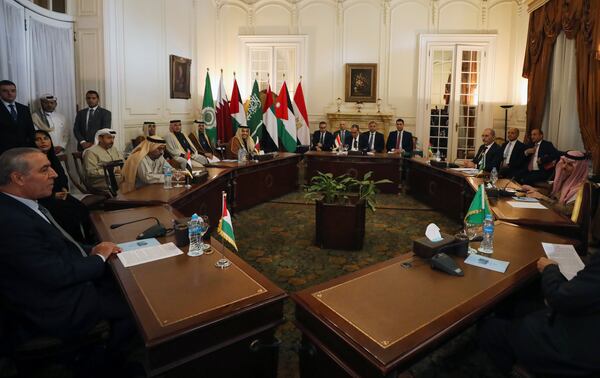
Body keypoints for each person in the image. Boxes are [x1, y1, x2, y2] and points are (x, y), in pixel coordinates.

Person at [0, 148, 135, 368]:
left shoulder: (22, 205)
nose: (54, 174)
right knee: (137, 306)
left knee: (127, 283)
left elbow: (60, 245)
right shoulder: (11, 221)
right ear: (18, 178)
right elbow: (55, 274)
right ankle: (106, 364)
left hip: (60, 285)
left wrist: (92, 250)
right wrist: (98, 258)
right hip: (52, 306)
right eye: (45, 170)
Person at [479, 252, 600, 376]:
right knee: (511, 306)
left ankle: (515, 370)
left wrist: (549, 269)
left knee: (489, 328)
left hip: (576, 348)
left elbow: (558, 298)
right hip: (584, 324)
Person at [34, 130, 93, 243]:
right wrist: (53, 195)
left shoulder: (53, 158)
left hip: (61, 194)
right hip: (45, 199)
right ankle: (76, 243)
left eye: (46, 138)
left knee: (82, 208)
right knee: (68, 214)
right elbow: (36, 187)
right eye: (38, 139)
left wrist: (64, 189)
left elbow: (62, 177)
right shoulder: (33, 162)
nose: (43, 141)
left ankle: (88, 239)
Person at [521, 151, 589, 217]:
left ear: (579, 168)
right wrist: (535, 190)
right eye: (564, 162)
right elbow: (552, 194)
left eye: (570, 165)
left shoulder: (582, 189)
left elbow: (567, 211)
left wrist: (542, 197)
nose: (563, 167)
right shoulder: (565, 179)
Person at [0, 80, 35, 155]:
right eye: (5, 91)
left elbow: (31, 131)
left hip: (24, 151)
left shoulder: (24, 108)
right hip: (4, 153)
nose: (10, 93)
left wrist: (33, 150)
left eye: (13, 91)